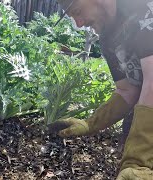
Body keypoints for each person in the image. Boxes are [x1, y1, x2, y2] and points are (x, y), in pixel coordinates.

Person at [47, 0, 153, 179]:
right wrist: (91, 124)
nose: (79, 24)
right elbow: (127, 90)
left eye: (78, 11)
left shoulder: (142, 9)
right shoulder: (107, 37)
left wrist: (138, 160)